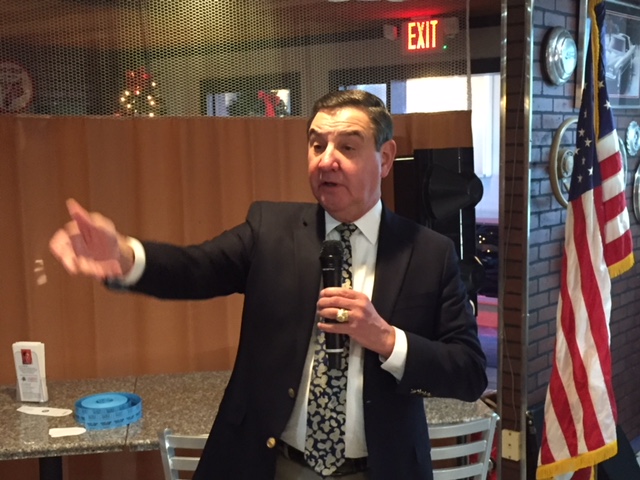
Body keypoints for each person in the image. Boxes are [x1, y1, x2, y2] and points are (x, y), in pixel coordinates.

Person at [49, 90, 487, 480]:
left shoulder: (429, 253)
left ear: (385, 158)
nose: (326, 159)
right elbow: (194, 268)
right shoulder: (270, 229)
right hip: (273, 464)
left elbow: (468, 373)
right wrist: (126, 256)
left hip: (380, 468)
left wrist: (387, 339)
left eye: (348, 146)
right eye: (317, 144)